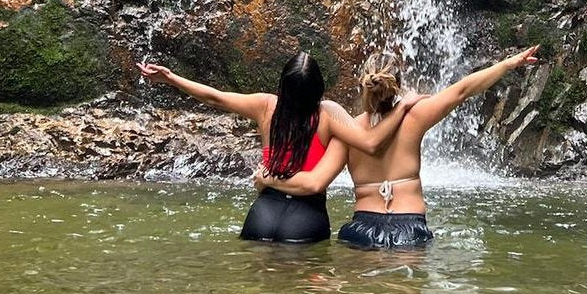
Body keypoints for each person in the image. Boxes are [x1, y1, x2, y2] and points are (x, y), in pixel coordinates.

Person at [255, 46, 540, 249]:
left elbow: (314, 179)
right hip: (409, 227)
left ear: (364, 84)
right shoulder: (415, 116)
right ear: (398, 85)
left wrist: (269, 179)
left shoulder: (349, 131)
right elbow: (463, 90)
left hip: (361, 230)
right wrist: (507, 64)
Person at [137, 50, 419, 244]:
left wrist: (170, 78)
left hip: (262, 214)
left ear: (283, 86)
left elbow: (215, 98)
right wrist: (402, 105)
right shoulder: (328, 114)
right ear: (318, 87)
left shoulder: (266, 106)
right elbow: (371, 141)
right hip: (306, 220)